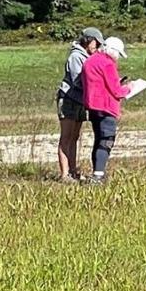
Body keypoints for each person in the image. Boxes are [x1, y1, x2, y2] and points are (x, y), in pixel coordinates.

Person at [56, 27, 104, 182]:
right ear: (88, 41)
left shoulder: (86, 56)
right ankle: (65, 174)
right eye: (95, 43)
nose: (97, 47)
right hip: (69, 99)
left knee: (75, 137)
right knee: (67, 137)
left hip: (80, 100)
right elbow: (79, 80)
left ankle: (73, 170)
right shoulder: (76, 56)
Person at [81, 36, 131, 184]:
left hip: (93, 106)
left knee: (98, 138)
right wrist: (129, 88)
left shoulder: (90, 60)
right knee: (106, 140)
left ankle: (97, 171)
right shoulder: (108, 64)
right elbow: (117, 91)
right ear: (113, 51)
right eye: (118, 55)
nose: (117, 58)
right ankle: (98, 175)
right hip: (107, 107)